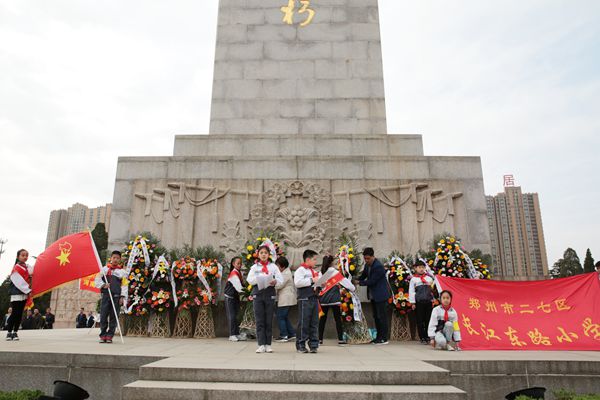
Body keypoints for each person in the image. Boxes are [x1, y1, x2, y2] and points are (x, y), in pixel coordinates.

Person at [247, 245, 283, 353]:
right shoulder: (254, 267)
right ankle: (261, 344)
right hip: (258, 294)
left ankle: (268, 344)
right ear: (258, 254)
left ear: (269, 255)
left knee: (268, 320)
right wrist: (259, 279)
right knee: (259, 320)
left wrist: (275, 281)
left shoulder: (273, 267)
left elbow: (280, 279)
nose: (263, 255)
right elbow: (249, 279)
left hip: (269, 294)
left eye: (265, 253)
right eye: (261, 253)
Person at [318, 255, 355, 345]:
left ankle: (319, 339)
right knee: (338, 319)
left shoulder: (320, 273)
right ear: (331, 263)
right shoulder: (334, 272)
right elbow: (348, 285)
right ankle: (340, 339)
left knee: (322, 320)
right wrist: (352, 288)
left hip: (323, 300)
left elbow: (318, 286)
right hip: (335, 300)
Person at [358, 247, 391, 345]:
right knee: (376, 316)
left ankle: (384, 338)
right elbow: (363, 276)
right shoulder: (367, 265)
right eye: (365, 259)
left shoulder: (378, 266)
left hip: (380, 295)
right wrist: (354, 278)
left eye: (368, 258)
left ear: (373, 256)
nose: (366, 260)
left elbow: (372, 281)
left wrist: (359, 282)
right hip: (373, 296)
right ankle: (378, 337)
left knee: (382, 317)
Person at [94, 250, 127, 343]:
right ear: (111, 258)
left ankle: (110, 335)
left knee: (114, 316)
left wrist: (122, 297)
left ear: (120, 259)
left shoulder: (122, 272)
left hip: (116, 296)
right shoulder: (104, 269)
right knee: (103, 315)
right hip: (106, 295)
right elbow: (97, 279)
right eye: (114, 258)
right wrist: (104, 285)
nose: (115, 259)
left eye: (117, 258)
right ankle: (103, 334)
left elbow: (124, 285)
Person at [294, 249, 321, 353]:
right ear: (308, 259)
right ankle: (301, 344)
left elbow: (316, 283)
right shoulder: (300, 270)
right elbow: (298, 283)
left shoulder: (313, 271)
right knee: (304, 323)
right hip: (304, 299)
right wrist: (311, 280)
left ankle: (314, 344)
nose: (315, 262)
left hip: (314, 298)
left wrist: (320, 283)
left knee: (314, 323)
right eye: (314, 259)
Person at [5, 249, 34, 341]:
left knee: (20, 314)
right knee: (14, 313)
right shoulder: (16, 267)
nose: (25, 257)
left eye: (26, 255)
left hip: (24, 294)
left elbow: (34, 271)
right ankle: (9, 332)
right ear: (18, 257)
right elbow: (19, 282)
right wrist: (28, 290)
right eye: (23, 255)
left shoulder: (27, 266)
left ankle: (15, 332)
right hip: (16, 293)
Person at [409, 260, 435, 344]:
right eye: (419, 267)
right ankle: (422, 337)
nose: (421, 269)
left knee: (428, 319)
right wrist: (413, 303)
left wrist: (433, 299)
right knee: (420, 320)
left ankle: (428, 336)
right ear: (415, 268)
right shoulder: (414, 279)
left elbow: (432, 290)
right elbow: (411, 291)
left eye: (423, 267)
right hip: (419, 302)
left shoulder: (429, 278)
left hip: (428, 302)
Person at [224, 256, 246, 342]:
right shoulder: (233, 274)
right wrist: (247, 292)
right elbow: (239, 288)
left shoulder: (238, 272)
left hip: (235, 298)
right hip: (230, 298)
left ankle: (236, 333)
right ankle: (232, 334)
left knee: (236, 316)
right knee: (232, 316)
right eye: (238, 263)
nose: (240, 265)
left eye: (240, 263)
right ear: (233, 264)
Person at [274, 256, 296, 343]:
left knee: (280, 316)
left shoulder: (286, 274)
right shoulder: (285, 272)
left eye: (277, 266)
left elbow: (279, 285)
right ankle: (291, 334)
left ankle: (284, 335)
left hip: (286, 298)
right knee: (284, 316)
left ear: (282, 266)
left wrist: (271, 283)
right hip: (285, 298)